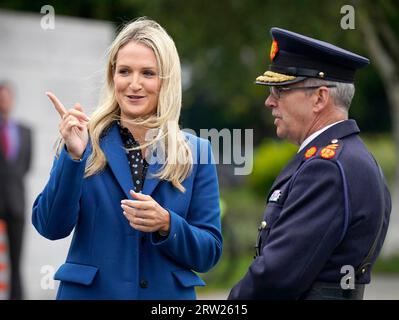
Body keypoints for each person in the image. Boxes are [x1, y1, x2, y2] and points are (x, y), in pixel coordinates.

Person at [32, 18, 222, 300]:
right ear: (113, 77)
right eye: (124, 71)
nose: (134, 84)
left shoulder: (197, 152)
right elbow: (50, 226)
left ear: (166, 80)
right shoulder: (84, 140)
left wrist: (168, 223)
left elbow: (209, 252)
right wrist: (73, 157)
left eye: (147, 73)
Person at [228, 27, 391, 300]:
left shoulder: (326, 167)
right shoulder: (350, 157)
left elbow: (276, 278)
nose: (269, 102)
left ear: (319, 98)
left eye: (280, 91)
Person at [0, 82, 32, 300]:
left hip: (17, 203)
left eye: (7, 97)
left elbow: (26, 166)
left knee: (16, 259)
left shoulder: (25, 131)